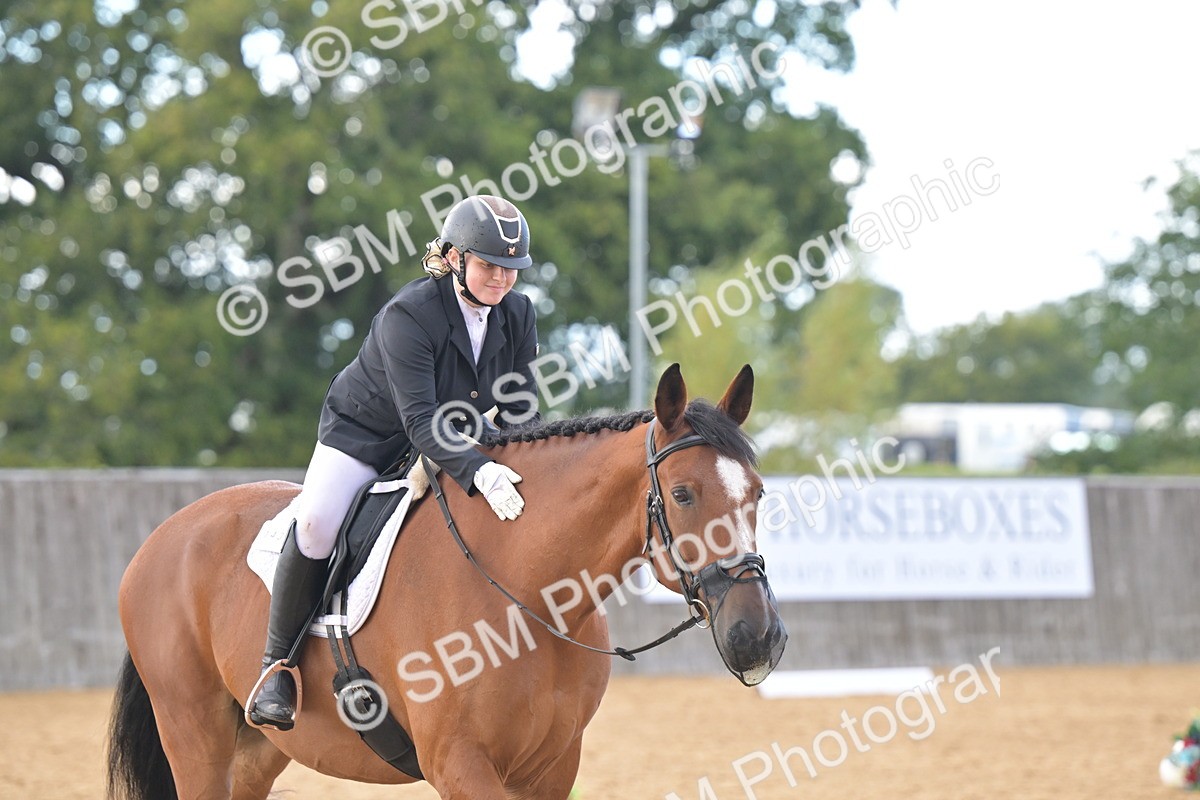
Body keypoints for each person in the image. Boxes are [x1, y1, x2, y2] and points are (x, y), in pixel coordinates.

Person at [247, 194, 540, 731]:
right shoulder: (410, 314)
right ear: (454, 257)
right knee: (314, 525)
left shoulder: (518, 312)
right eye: (489, 265)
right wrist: (478, 470)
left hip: (456, 429)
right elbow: (418, 423)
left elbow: (520, 404)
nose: (501, 279)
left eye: (511, 269)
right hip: (366, 433)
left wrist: (526, 457)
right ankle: (277, 668)